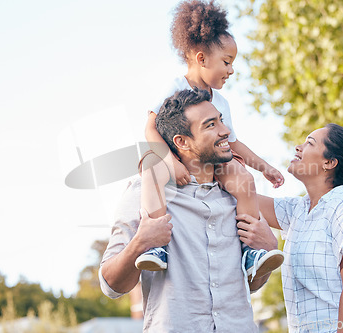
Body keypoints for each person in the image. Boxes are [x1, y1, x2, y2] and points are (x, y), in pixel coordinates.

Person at [99, 88, 279, 332]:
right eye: (210, 125)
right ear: (182, 142)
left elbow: (253, 283)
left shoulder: (239, 193)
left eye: (221, 121)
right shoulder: (146, 191)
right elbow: (111, 285)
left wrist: (266, 247)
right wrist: (140, 243)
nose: (225, 131)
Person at [135, 0, 284, 282]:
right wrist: (170, 162)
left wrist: (264, 167)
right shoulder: (174, 88)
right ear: (201, 58)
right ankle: (156, 246)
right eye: (226, 62)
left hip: (210, 163)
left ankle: (250, 251)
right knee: (151, 168)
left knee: (244, 180)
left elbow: (235, 143)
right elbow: (150, 130)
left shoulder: (222, 102)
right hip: (176, 157)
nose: (230, 70)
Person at [251, 123, 343, 332]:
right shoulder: (298, 210)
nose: (298, 147)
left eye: (309, 143)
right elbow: (240, 195)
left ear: (329, 162)